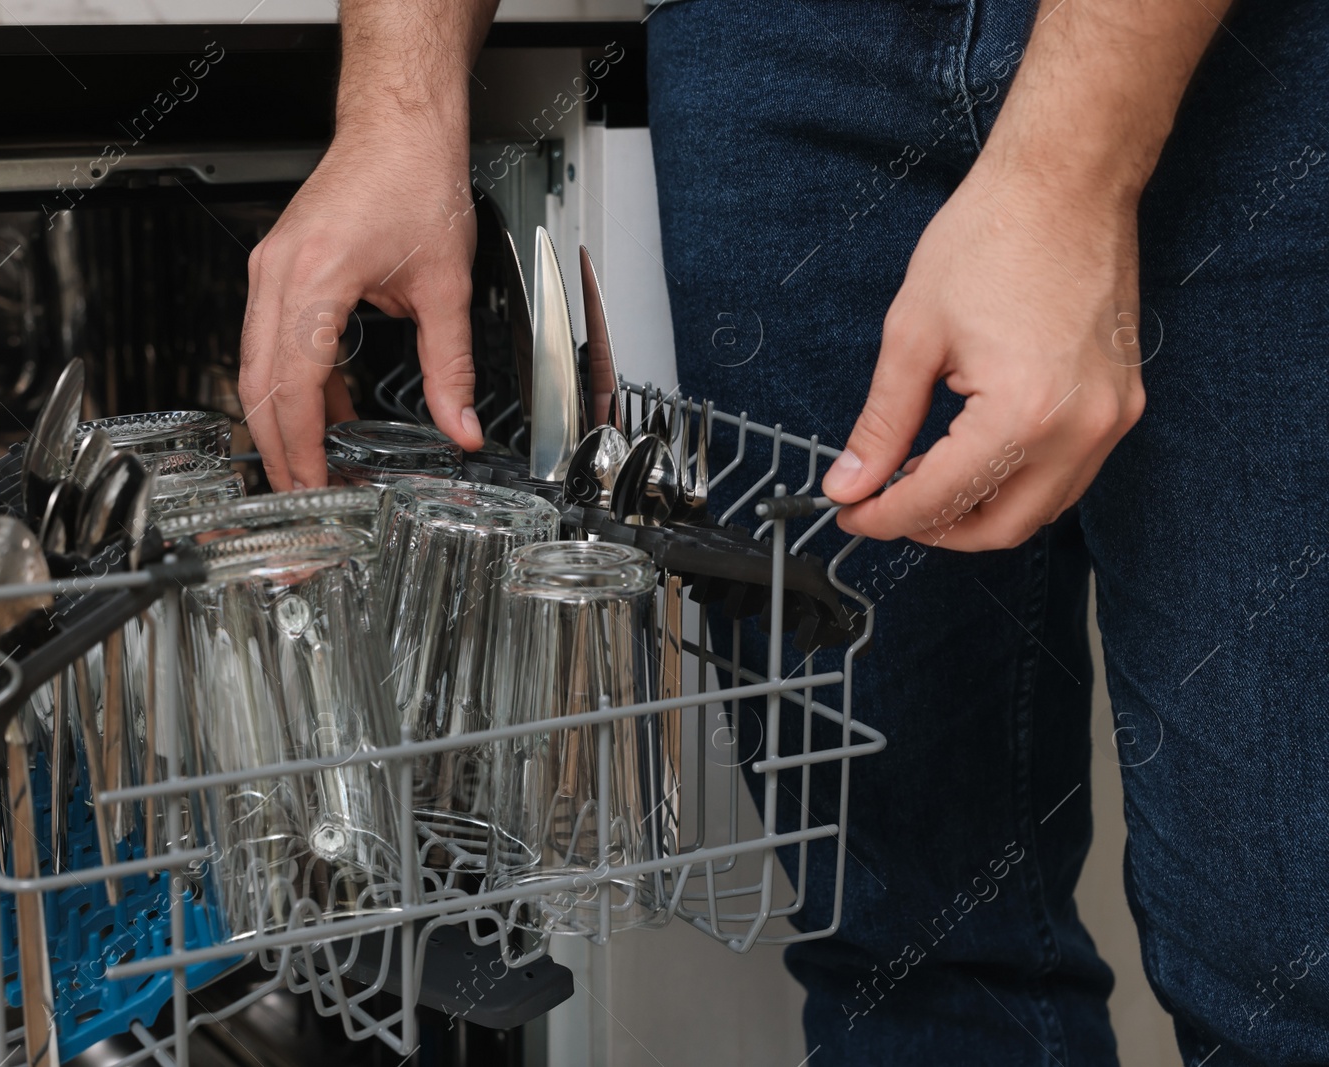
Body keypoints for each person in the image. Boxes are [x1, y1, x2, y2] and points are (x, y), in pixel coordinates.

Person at [237, 0, 1329, 1062]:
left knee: (1280, 958)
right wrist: (397, 108)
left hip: (1237, 49)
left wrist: (1065, 167)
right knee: (904, 945)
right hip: (770, 49)